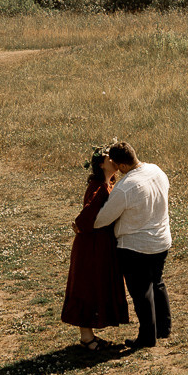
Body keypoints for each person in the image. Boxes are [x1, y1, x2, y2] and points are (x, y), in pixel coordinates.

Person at [93, 139, 171, 349]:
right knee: (157, 283)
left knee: (141, 292)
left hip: (136, 246)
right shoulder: (157, 171)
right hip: (161, 240)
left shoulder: (125, 188)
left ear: (122, 165)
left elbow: (102, 220)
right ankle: (164, 328)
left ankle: (147, 337)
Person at [60, 149, 129, 350]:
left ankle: (89, 334)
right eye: (109, 158)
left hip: (102, 242)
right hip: (91, 244)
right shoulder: (97, 186)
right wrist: (80, 225)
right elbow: (88, 214)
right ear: (101, 164)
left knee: (99, 283)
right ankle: (86, 337)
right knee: (88, 285)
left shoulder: (110, 185)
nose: (113, 160)